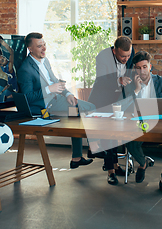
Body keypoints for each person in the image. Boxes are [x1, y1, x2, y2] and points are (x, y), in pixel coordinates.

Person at [17, 32, 95, 169]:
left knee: (77, 113)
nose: (44, 49)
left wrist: (68, 94)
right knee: (87, 109)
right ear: (30, 49)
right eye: (39, 46)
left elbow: (54, 82)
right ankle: (95, 148)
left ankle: (76, 158)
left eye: (44, 44)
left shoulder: (45, 61)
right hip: (45, 108)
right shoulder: (25, 69)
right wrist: (49, 89)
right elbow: (27, 97)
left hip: (56, 100)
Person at [125, 51, 162, 195]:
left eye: (144, 67)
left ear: (150, 66)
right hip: (139, 124)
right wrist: (136, 89)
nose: (141, 71)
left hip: (160, 123)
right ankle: (143, 163)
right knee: (129, 139)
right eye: (138, 68)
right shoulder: (130, 84)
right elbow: (127, 108)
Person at [88, 36, 135, 185]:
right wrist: (118, 80)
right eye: (123, 56)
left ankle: (114, 165)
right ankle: (111, 172)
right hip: (102, 98)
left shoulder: (130, 53)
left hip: (120, 98)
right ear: (114, 51)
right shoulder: (102, 56)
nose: (126, 59)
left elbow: (131, 70)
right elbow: (101, 79)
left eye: (128, 56)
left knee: (115, 134)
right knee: (107, 134)